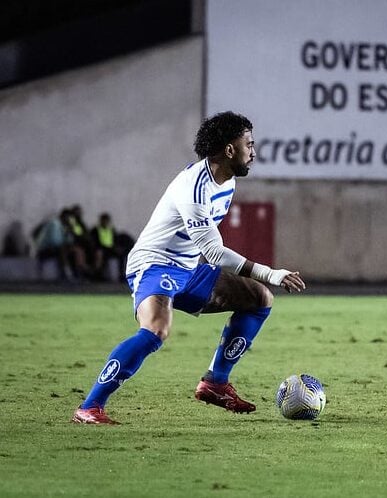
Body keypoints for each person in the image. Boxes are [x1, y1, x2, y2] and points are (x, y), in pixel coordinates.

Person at [72, 111, 306, 425]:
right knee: (156, 329)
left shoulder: (227, 180)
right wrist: (271, 272)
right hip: (153, 264)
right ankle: (90, 407)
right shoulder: (195, 187)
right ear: (228, 149)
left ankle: (215, 383)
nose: (254, 151)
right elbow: (212, 250)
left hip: (185, 268)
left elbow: (205, 249)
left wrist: (263, 280)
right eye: (248, 144)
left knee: (259, 298)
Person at [90, 212, 131, 282]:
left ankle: (121, 275)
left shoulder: (111, 230)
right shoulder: (96, 230)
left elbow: (115, 240)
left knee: (121, 255)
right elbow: (95, 242)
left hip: (111, 249)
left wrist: (117, 248)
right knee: (100, 254)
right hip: (101, 249)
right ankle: (98, 275)